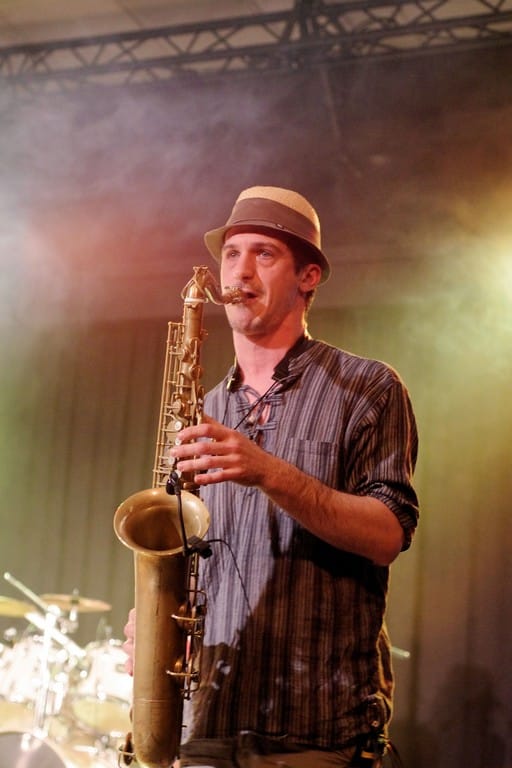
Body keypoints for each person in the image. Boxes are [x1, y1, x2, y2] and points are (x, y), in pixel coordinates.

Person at [124, 186, 419, 767]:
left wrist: (268, 472)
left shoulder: (368, 388)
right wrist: (156, 623)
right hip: (208, 724)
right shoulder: (200, 410)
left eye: (264, 254)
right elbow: (182, 555)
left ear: (309, 276)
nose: (240, 271)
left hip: (316, 731)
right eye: (232, 254)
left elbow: (388, 535)